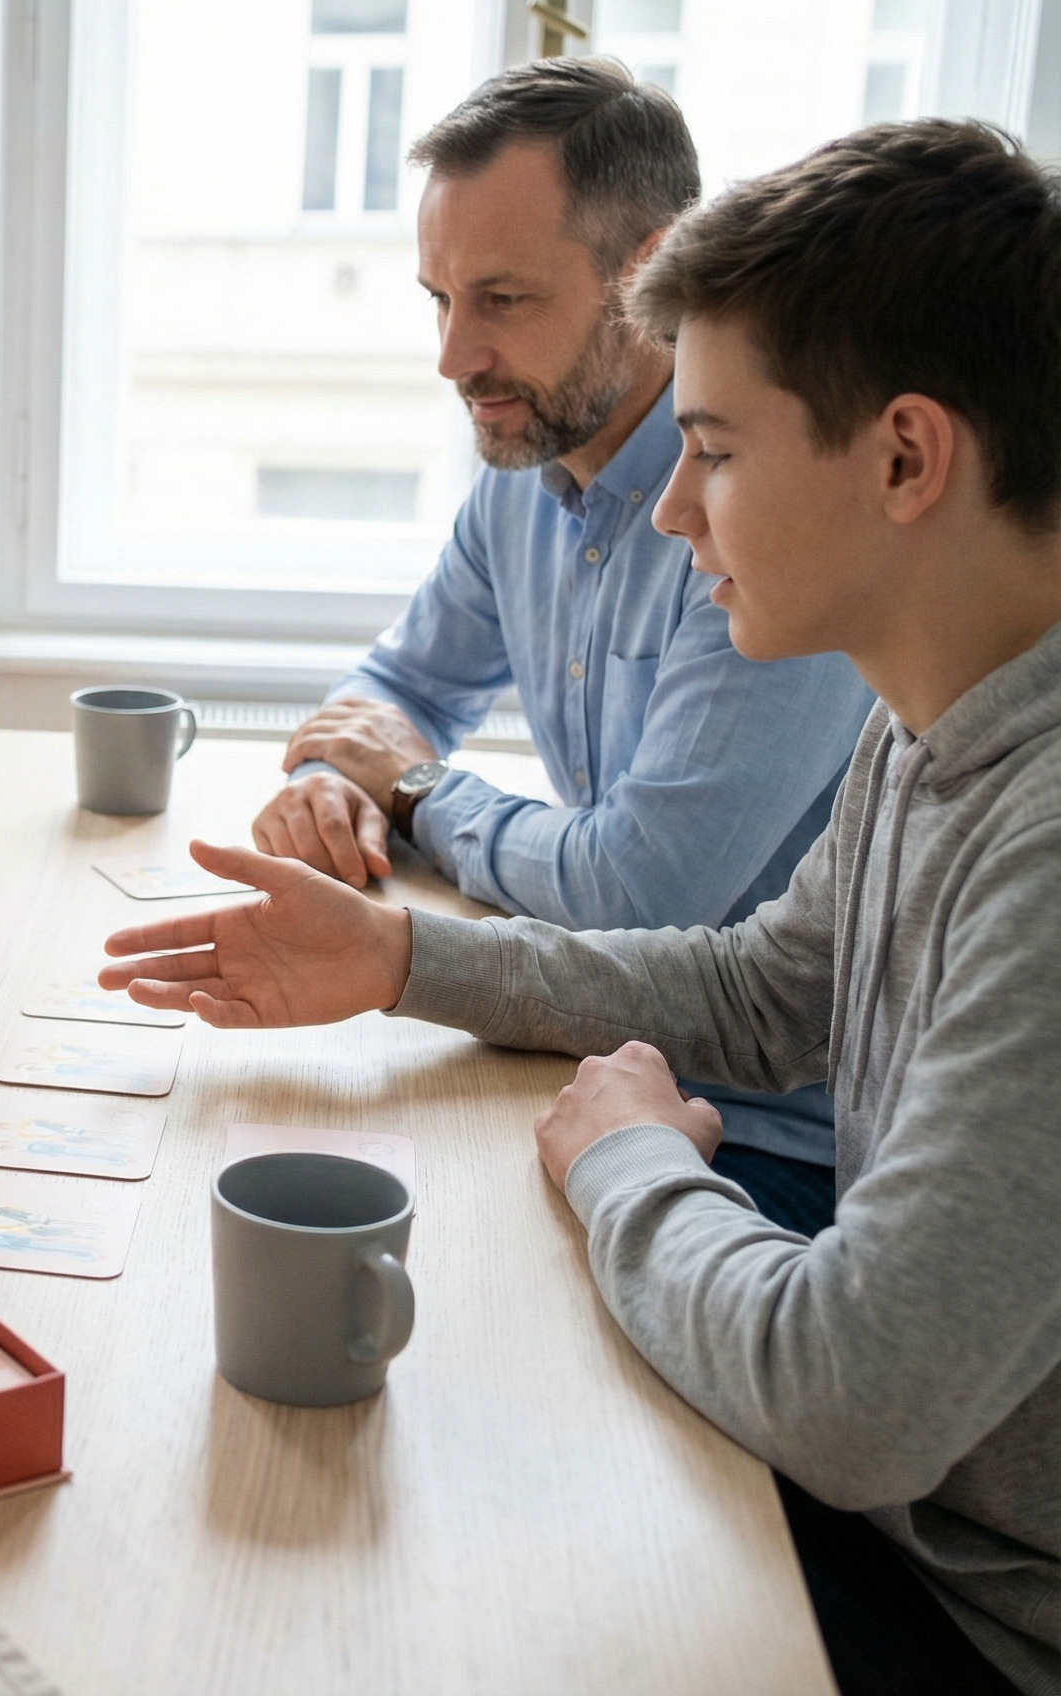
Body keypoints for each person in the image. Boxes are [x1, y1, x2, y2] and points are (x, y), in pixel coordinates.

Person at [104, 119, 1061, 1696]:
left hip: (977, 1616)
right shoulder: (933, 719)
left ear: (905, 458)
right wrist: (400, 955)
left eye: (724, 450)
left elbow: (845, 1396)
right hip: (909, 1517)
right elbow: (766, 987)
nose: (673, 511)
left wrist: (622, 1158)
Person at [245, 60, 874, 1235]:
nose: (450, 356)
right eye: (436, 299)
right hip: (591, 1055)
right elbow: (397, 685)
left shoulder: (765, 524)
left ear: (646, 270)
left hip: (766, 1142)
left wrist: (419, 788)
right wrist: (334, 778)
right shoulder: (526, 471)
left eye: (500, 300)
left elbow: (635, 892)